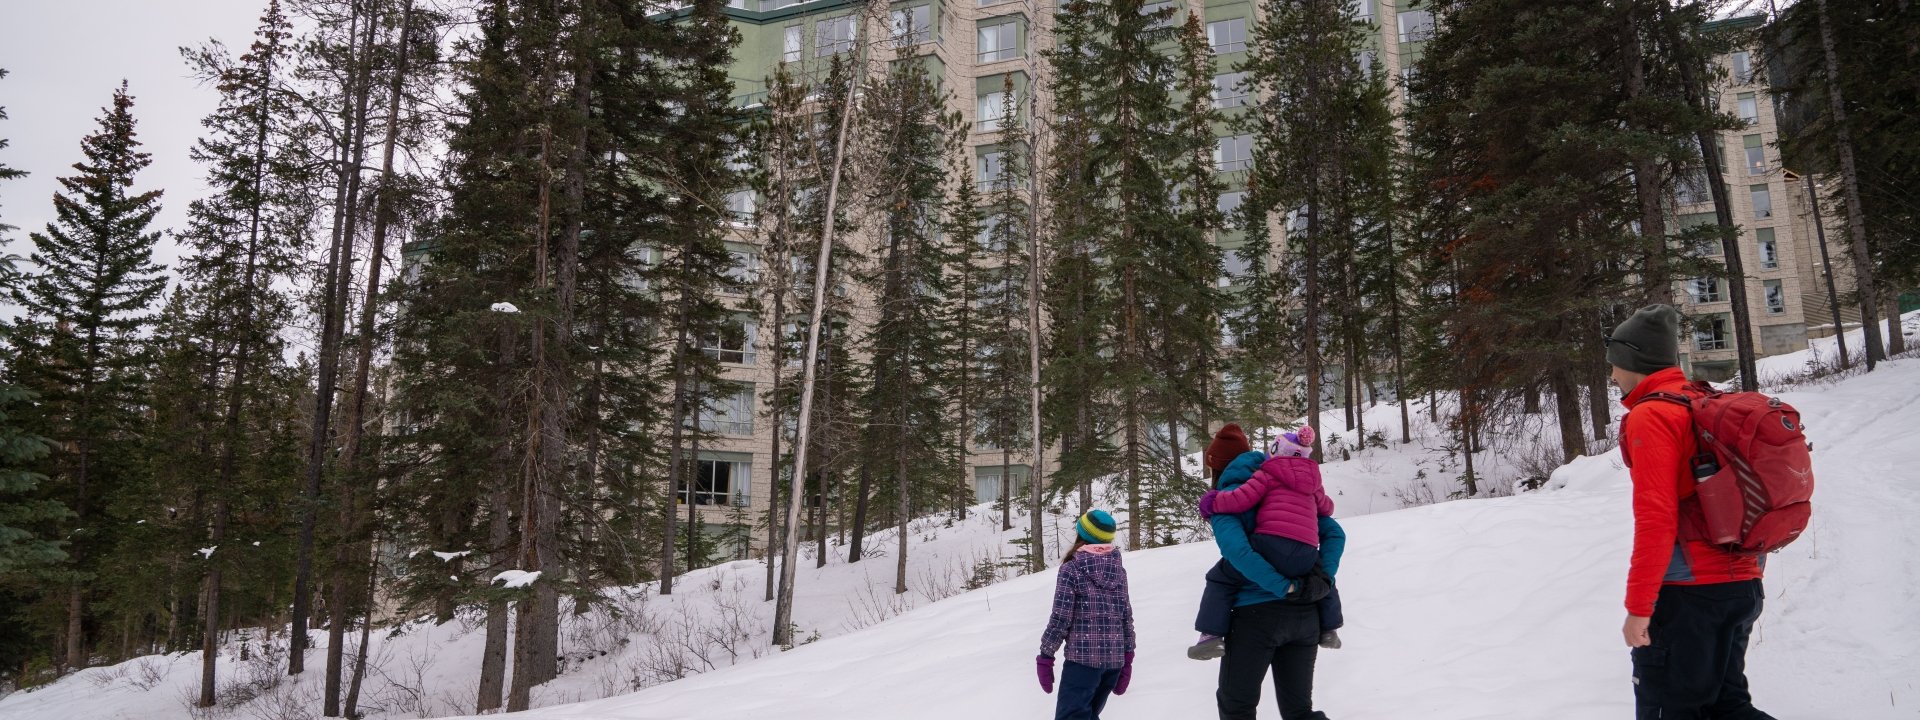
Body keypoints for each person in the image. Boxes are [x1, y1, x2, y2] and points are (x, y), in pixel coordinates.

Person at [1607, 304, 1774, 720]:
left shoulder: (1653, 416)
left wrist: (1639, 608)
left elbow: (1656, 517)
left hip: (1688, 595)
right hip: (1740, 586)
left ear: (1635, 360)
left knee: (1670, 709)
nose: (1612, 375)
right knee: (1726, 707)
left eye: (1615, 364)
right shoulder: (1701, 402)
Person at [1201, 424, 1341, 720]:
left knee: (1236, 706)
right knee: (1299, 712)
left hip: (1256, 617)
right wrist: (1321, 581)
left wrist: (1283, 586)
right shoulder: (1289, 488)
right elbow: (1334, 534)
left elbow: (1238, 554)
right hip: (1306, 616)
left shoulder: (1229, 499)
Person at [1036, 509, 1136, 720]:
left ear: (1081, 534)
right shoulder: (1118, 570)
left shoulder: (1071, 570)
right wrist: (1127, 657)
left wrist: (1046, 656)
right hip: (1113, 663)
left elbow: (1060, 618)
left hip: (1083, 662)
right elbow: (1126, 617)